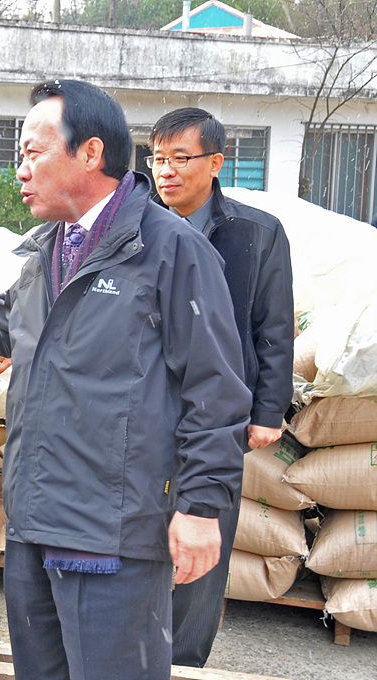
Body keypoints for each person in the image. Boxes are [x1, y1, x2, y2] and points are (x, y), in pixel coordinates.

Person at [0, 80, 251, 680]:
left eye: (31, 152)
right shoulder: (53, 247)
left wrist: (203, 509)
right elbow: (8, 320)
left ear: (91, 153)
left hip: (112, 532)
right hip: (34, 520)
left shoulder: (169, 250)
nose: (19, 170)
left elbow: (218, 391)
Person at [148, 107, 294, 668]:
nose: (166, 171)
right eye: (158, 159)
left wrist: (268, 410)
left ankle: (182, 662)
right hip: (145, 405)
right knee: (144, 535)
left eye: (181, 159)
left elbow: (274, 327)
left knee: (204, 532)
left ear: (216, 162)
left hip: (219, 411)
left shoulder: (256, 234)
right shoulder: (134, 228)